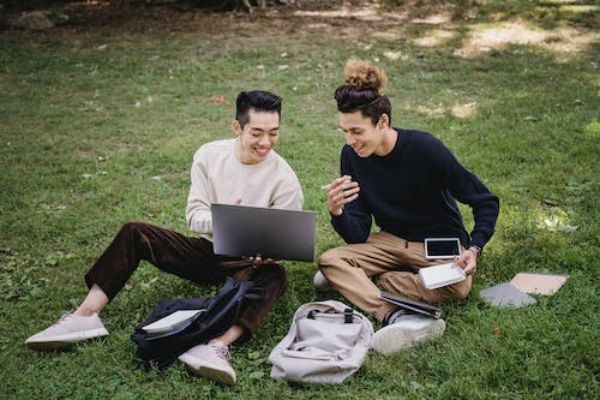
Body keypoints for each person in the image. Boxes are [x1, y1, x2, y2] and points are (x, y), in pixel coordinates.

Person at [26, 90, 303, 385]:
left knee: (276, 276)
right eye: (257, 133)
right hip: (208, 250)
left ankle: (216, 346)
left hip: (248, 263)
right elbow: (194, 214)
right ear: (237, 127)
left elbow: (283, 240)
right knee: (135, 232)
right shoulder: (209, 156)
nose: (266, 142)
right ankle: (85, 316)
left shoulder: (284, 179)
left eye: (274, 133)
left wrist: (270, 252)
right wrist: (227, 223)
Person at [316, 60, 499, 355]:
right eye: (344, 131)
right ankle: (393, 314)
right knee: (329, 261)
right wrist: (338, 212)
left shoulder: (425, 148)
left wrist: (474, 248)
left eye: (357, 131)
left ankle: (372, 279)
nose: (350, 141)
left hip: (437, 243)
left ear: (382, 122)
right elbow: (358, 233)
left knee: (459, 287)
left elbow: (484, 201)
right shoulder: (351, 156)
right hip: (390, 241)